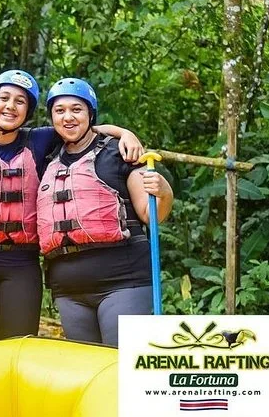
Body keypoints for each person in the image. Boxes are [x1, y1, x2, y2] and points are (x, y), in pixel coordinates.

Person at [0, 69, 144, 346]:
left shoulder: (40, 141)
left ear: (28, 112)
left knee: (19, 345)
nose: (10, 106)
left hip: (22, 264)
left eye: (20, 101)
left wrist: (125, 133)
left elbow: (82, 127)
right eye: (4, 98)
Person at [37, 77, 173, 347]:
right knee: (88, 367)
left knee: (119, 362)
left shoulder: (118, 152)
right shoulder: (47, 156)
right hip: (68, 290)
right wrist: (123, 130)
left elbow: (152, 216)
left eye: (77, 109)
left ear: (91, 114)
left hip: (123, 281)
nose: (68, 117)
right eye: (59, 110)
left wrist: (165, 193)